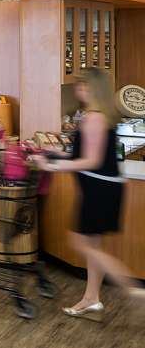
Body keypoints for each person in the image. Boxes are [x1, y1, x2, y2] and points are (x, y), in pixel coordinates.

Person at [32, 68, 144, 316]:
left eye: (82, 85)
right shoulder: (103, 116)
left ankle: (132, 289)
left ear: (92, 88)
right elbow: (85, 154)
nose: (78, 89)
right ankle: (92, 298)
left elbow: (90, 161)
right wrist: (54, 153)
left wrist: (51, 165)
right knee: (93, 244)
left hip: (98, 190)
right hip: (105, 188)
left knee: (82, 243)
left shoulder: (93, 118)